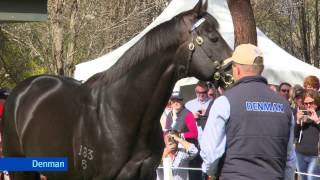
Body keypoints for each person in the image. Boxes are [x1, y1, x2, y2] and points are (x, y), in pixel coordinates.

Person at [200, 44, 295, 180]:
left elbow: (210, 153)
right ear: (261, 70)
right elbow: (289, 159)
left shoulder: (224, 102)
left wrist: (212, 173)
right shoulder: (285, 107)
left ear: (237, 70)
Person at [295, 89, 320, 180]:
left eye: (311, 103)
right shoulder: (303, 112)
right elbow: (295, 135)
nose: (308, 105)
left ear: (317, 101)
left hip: (315, 155)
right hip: (300, 153)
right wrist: (297, 121)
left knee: (312, 178)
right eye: (306, 103)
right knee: (303, 178)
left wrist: (317, 121)